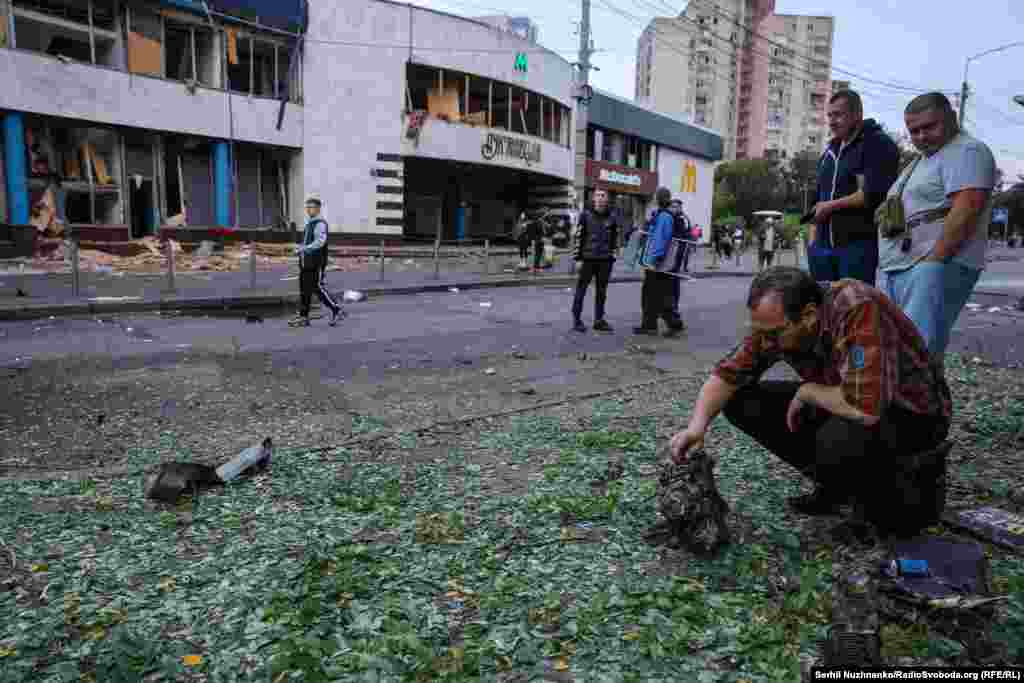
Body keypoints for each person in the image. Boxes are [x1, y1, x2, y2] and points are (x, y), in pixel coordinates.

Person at [668, 267, 951, 542]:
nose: (765, 342)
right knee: (739, 400)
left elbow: (865, 406)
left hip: (911, 415)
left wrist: (809, 392)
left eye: (773, 334)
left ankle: (878, 499)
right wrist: (696, 427)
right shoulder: (776, 325)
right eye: (760, 332)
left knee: (838, 439)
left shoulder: (856, 307)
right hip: (847, 399)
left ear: (809, 315)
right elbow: (727, 375)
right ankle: (837, 483)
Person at [876, 92, 997, 360]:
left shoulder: (967, 150)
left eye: (929, 127)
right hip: (905, 264)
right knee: (900, 350)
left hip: (931, 264)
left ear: (951, 118)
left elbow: (968, 207)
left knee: (916, 351)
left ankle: (919, 389)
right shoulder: (923, 159)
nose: (921, 136)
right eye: (913, 131)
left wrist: (934, 261)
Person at [809, 89, 901, 285]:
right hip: (822, 248)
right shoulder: (830, 152)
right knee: (821, 301)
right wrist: (813, 243)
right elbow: (816, 200)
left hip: (857, 247)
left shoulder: (878, 143)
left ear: (857, 114)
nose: (832, 121)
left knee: (854, 301)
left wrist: (829, 206)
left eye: (838, 115)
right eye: (829, 116)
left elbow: (872, 194)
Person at [635, 187, 685, 336]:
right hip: (661, 262)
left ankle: (671, 324)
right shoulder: (664, 214)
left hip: (658, 263)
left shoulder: (664, 216)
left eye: (656, 197)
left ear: (658, 199)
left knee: (656, 295)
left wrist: (655, 260)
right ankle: (650, 325)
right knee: (655, 294)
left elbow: (660, 239)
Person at [289, 194, 344, 327]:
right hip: (306, 262)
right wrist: (300, 248)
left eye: (311, 207)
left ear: (318, 209)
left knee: (317, 287)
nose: (308, 210)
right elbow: (308, 242)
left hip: (316, 262)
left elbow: (320, 242)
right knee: (304, 289)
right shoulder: (310, 223)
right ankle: (303, 316)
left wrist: (304, 248)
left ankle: (337, 310)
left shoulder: (320, 224)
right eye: (307, 207)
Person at [571, 189, 621, 333]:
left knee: (601, 291)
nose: (600, 198)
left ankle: (599, 320)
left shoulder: (612, 216)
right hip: (587, 259)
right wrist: (577, 258)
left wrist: (613, 255)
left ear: (607, 199)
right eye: (597, 195)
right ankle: (577, 320)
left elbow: (615, 237)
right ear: (593, 198)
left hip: (605, 260)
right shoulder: (585, 215)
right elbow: (578, 237)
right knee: (581, 289)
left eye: (603, 195)